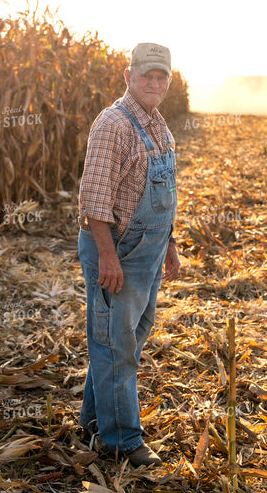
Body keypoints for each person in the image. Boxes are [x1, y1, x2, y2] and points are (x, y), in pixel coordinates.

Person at [77, 42, 180, 467]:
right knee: (116, 345)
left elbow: (167, 193)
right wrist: (107, 256)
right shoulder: (113, 125)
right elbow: (92, 203)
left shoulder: (157, 125)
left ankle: (93, 420)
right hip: (118, 250)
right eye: (146, 76)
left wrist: (170, 245)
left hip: (149, 253)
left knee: (122, 340)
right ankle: (122, 440)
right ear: (128, 76)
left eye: (162, 77)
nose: (154, 83)